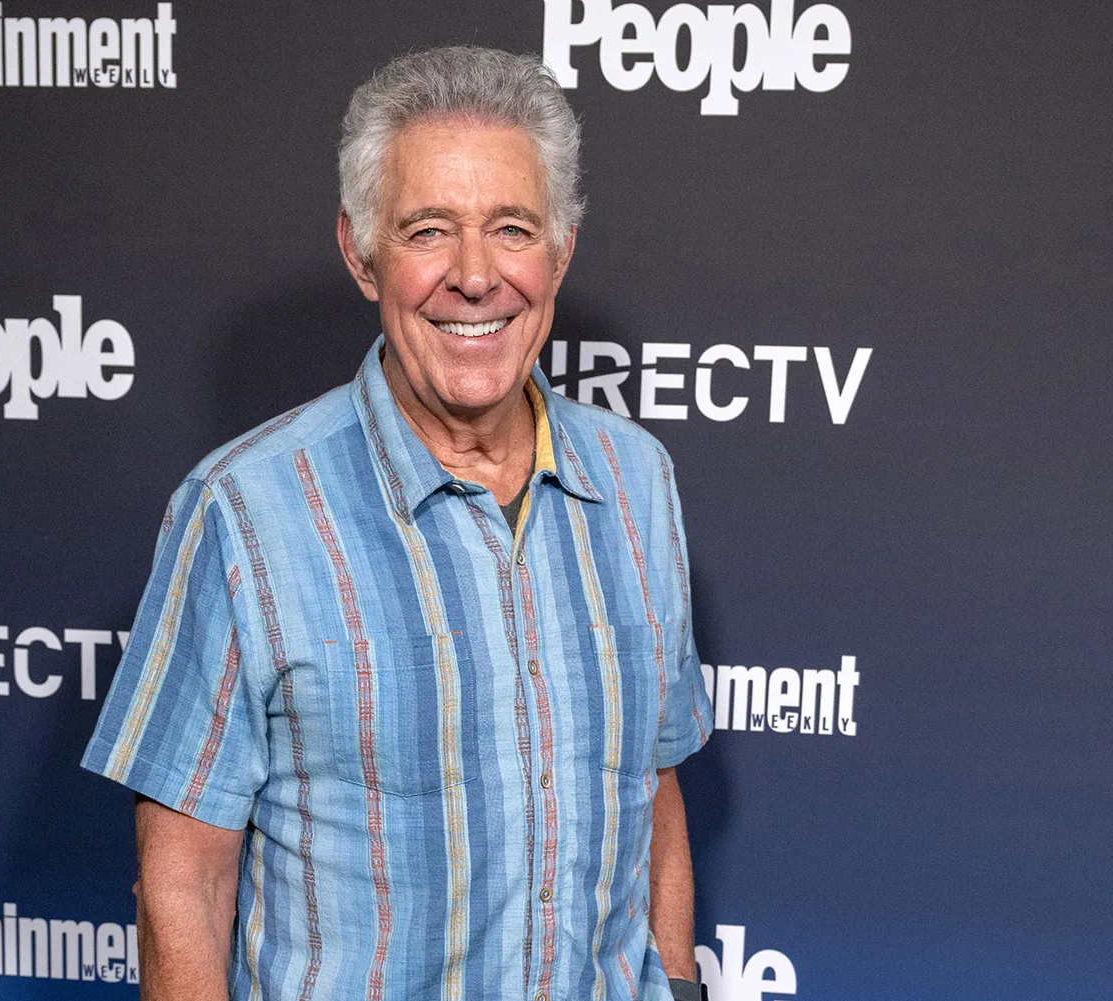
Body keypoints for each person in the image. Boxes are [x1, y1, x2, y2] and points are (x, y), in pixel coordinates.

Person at [83, 45, 713, 1001]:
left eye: (512, 228)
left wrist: (677, 983)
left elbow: (652, 787)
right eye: (428, 231)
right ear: (361, 251)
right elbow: (185, 881)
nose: (475, 276)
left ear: (561, 250)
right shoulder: (243, 512)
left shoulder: (638, 481)